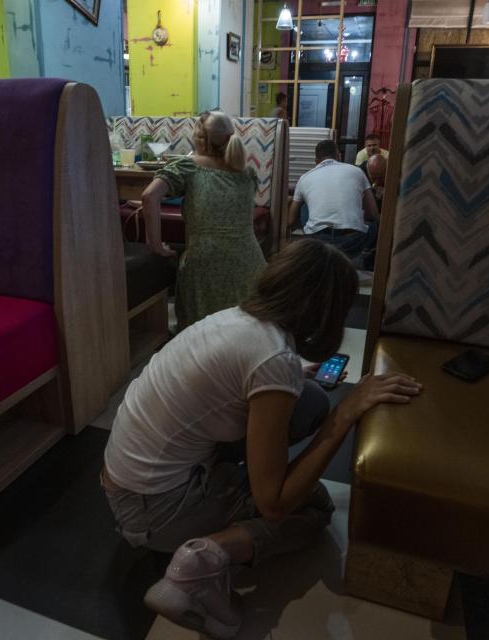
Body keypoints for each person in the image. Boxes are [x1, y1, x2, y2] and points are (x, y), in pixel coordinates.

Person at [102, 240, 422, 638]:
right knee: (314, 508)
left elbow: (246, 378)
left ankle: (220, 507)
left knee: (309, 401)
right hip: (155, 513)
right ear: (327, 312)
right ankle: (201, 562)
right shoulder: (273, 360)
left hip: (129, 481)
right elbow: (274, 505)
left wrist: (296, 378)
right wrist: (346, 413)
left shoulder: (237, 320)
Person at [141, 111, 266, 329]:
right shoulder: (247, 172)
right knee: (244, 328)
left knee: (202, 334)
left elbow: (149, 196)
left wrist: (155, 246)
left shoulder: (188, 166)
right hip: (250, 262)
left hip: (206, 263)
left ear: (199, 139)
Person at [289, 140, 379, 270]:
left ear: (316, 161)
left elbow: (291, 220)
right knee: (373, 225)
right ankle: (363, 258)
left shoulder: (304, 178)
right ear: (339, 156)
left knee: (304, 206)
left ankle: (317, 246)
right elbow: (373, 213)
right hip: (352, 242)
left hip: (318, 242)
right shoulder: (357, 171)